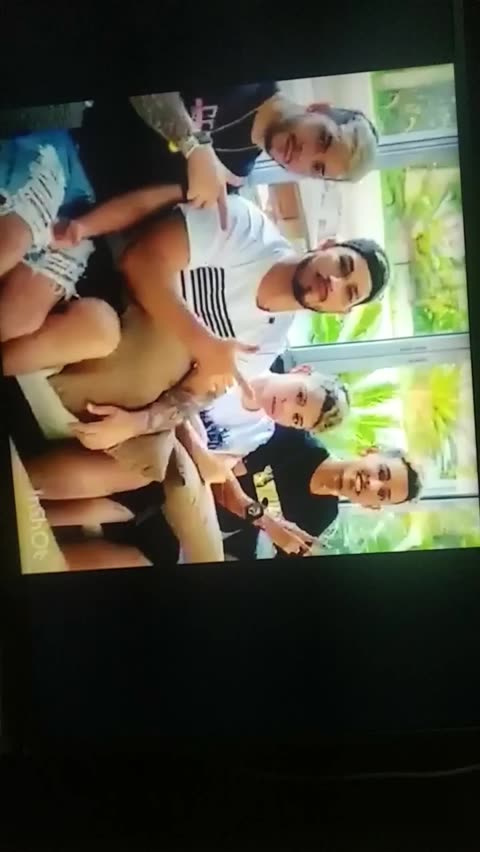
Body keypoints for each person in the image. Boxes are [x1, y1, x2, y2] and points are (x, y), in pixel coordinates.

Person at [16, 193, 390, 406]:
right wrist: (203, 345)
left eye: (349, 292)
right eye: (342, 264)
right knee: (102, 333)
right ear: (326, 245)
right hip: (105, 282)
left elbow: (194, 394)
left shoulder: (268, 341)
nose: (333, 282)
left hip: (129, 367)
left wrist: (141, 424)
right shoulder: (248, 227)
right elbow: (140, 262)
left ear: (341, 312)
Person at [77, 85, 379, 229]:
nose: (304, 155)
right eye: (323, 138)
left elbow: (144, 203)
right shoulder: (246, 73)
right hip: (75, 126)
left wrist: (82, 228)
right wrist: (193, 145)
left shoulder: (234, 177)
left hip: (82, 198)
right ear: (320, 109)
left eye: (317, 168)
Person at [0, 129, 121, 367]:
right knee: (10, 244)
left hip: (84, 217)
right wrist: (193, 147)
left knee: (16, 320)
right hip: (67, 166)